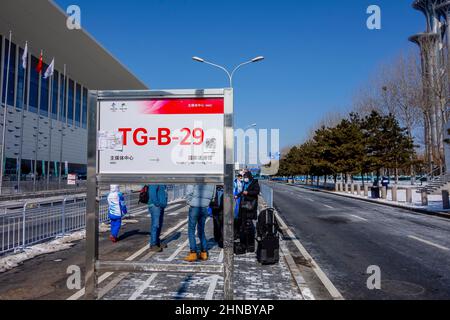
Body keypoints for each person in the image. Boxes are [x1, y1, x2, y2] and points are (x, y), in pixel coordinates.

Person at [184, 184, 215, 262]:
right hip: (205, 207)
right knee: (201, 230)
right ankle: (204, 252)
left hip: (194, 206)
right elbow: (213, 196)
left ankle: (193, 253)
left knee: (191, 230)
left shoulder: (195, 176)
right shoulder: (212, 180)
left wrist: (189, 202)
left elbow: (189, 191)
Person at [237, 171, 260, 253]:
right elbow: (243, 191)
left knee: (249, 223)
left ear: (249, 177)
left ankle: (250, 243)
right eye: (244, 177)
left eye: (246, 177)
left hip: (250, 206)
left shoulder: (254, 183)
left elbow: (256, 192)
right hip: (243, 205)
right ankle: (244, 242)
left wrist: (248, 193)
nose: (245, 178)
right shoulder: (244, 183)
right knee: (243, 224)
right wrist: (237, 195)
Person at [148, 185, 168, 252]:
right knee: (155, 225)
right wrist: (157, 203)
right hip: (155, 206)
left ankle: (157, 242)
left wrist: (164, 203)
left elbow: (164, 193)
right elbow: (152, 193)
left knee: (159, 224)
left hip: (161, 206)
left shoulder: (163, 182)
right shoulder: (155, 179)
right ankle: (153, 245)